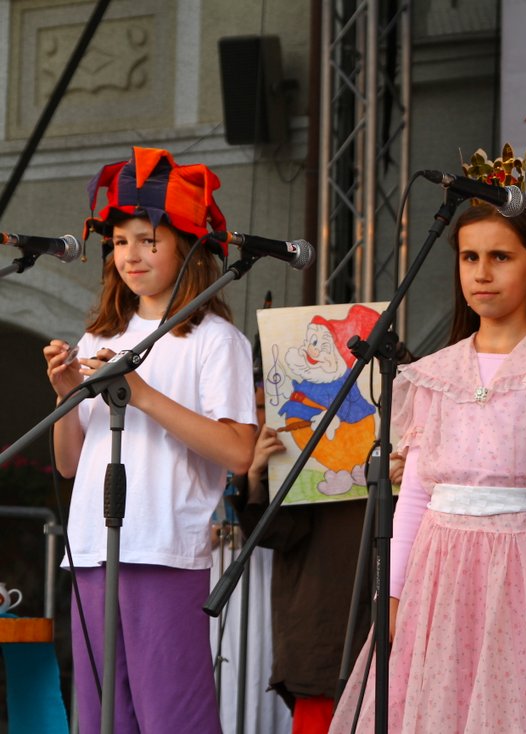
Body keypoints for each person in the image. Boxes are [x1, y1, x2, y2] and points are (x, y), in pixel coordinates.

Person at [329, 172, 526, 732]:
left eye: (500, 257)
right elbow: (415, 498)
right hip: (437, 576)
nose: (481, 273)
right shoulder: (433, 373)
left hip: (525, 572)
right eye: (469, 257)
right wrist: (391, 592)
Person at [43, 147, 256, 732]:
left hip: (162, 544)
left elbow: (239, 451)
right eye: (119, 241)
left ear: (186, 247)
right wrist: (66, 397)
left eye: (147, 240)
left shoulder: (215, 340)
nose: (130, 254)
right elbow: (69, 464)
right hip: (93, 545)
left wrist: (141, 394)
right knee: (102, 717)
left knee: (172, 715)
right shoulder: (99, 338)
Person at [228, 368, 373, 733]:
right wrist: (256, 477)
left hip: (383, 620)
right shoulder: (297, 456)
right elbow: (276, 534)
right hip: (319, 623)